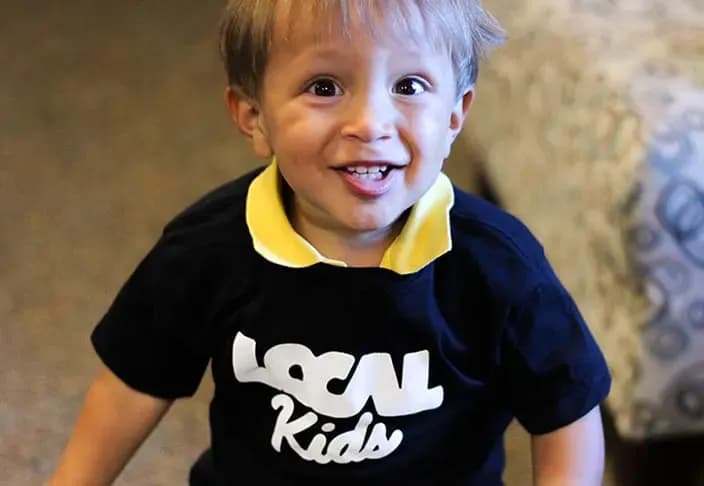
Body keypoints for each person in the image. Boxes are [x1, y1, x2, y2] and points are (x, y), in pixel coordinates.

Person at [50, 1, 611, 484]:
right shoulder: (206, 250)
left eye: (408, 86)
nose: (369, 123)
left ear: (455, 114)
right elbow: (131, 386)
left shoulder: (497, 266)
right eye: (325, 87)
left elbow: (565, 412)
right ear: (254, 117)